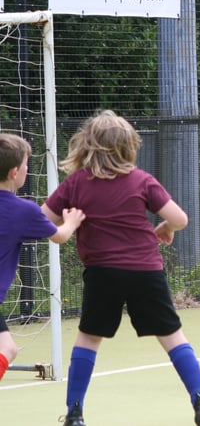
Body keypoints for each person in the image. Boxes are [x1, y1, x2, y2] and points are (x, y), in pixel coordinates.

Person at [41, 111, 200, 426]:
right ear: (129, 146)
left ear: (87, 145)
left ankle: (75, 412)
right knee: (173, 336)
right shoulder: (142, 180)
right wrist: (165, 226)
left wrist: (69, 222)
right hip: (145, 271)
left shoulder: (75, 183)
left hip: (102, 273)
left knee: (88, 338)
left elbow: (44, 219)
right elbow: (180, 219)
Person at [0, 133, 85, 382]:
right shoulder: (22, 210)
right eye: (27, 164)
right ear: (15, 172)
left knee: (9, 347)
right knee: (7, 349)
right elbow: (58, 236)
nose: (28, 169)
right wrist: (72, 220)